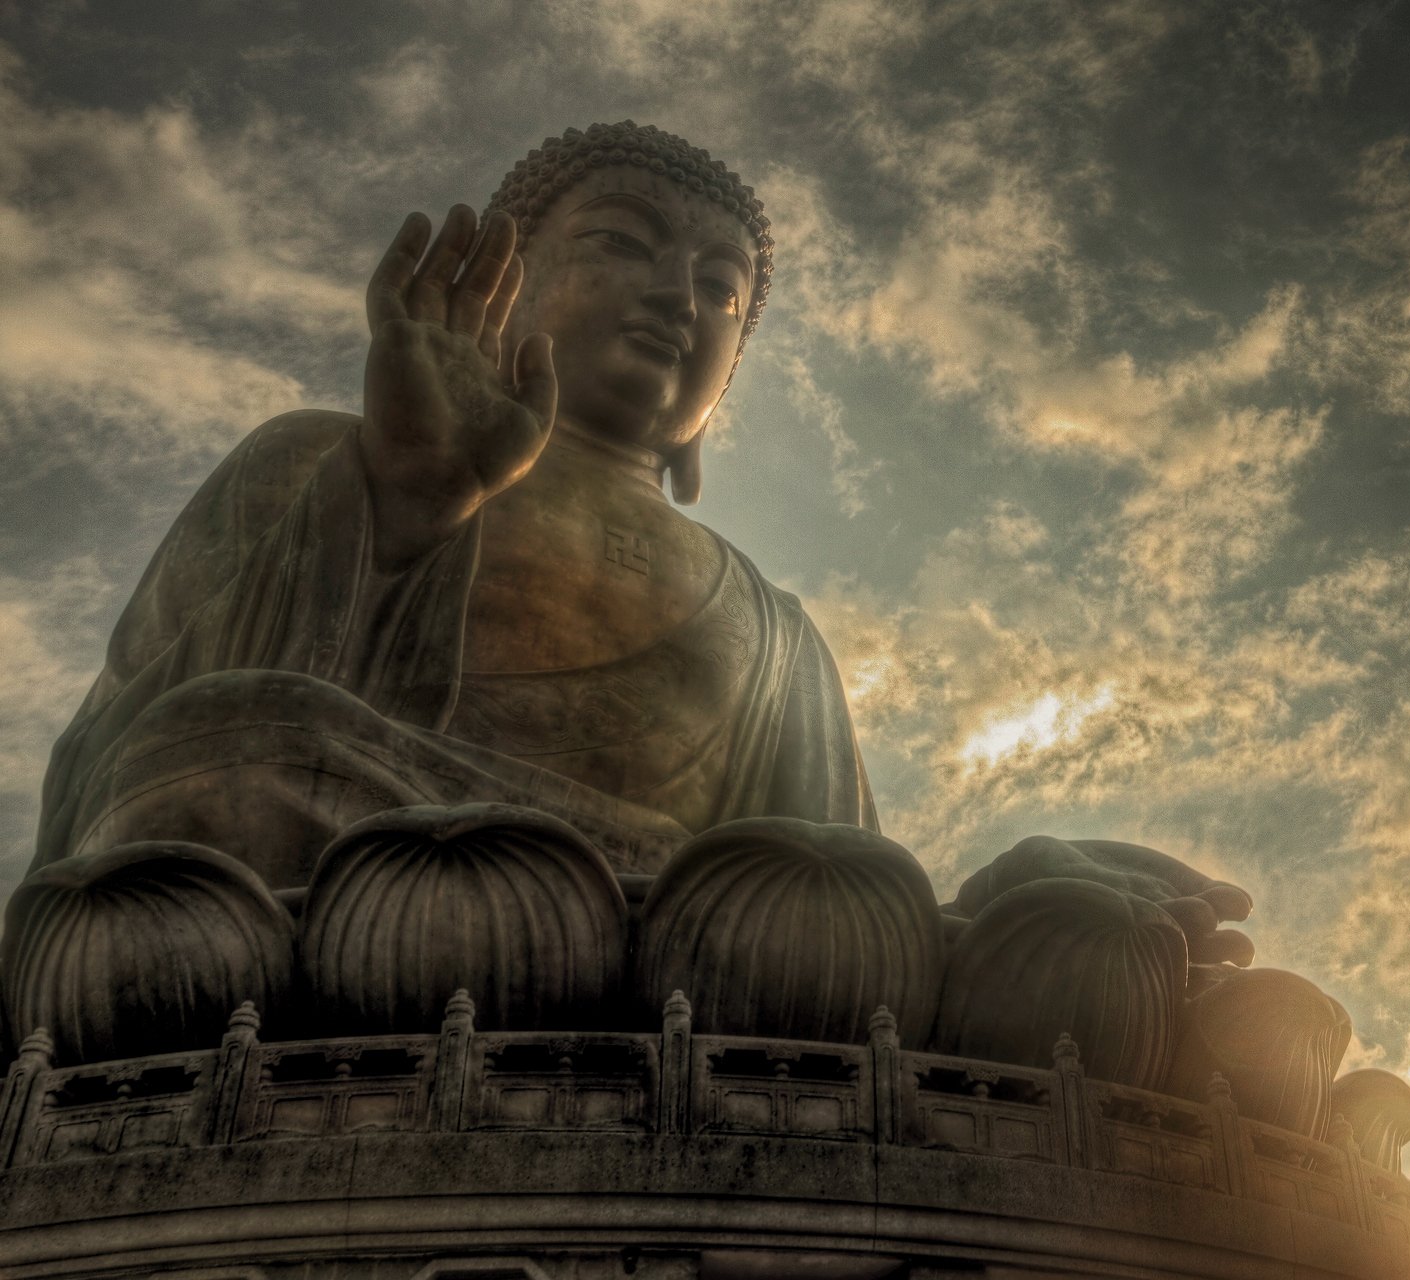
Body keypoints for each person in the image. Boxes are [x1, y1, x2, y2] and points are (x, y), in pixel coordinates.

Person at [33, 122, 876, 889]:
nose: (676, 296)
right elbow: (111, 768)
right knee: (218, 750)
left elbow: (833, 885)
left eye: (722, 290)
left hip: (666, 941)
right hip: (327, 881)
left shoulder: (775, 632)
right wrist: (399, 504)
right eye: (621, 240)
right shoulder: (314, 457)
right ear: (497, 289)